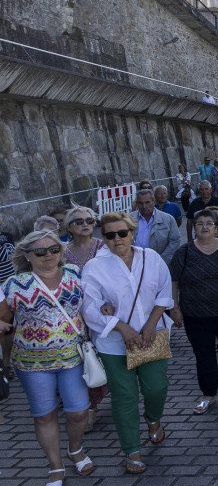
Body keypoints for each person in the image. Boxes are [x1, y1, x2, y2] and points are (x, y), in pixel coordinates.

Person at [82, 212, 174, 475]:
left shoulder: (151, 258)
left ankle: (154, 420)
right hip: (113, 343)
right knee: (125, 397)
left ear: (132, 233)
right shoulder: (95, 267)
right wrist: (121, 328)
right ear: (104, 239)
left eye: (122, 233)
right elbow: (89, 307)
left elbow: (164, 293)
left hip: (150, 336)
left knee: (157, 387)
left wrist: (149, 324)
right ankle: (132, 450)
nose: (117, 239)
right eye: (110, 235)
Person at [0, 230, 95, 485]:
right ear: (27, 256)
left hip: (72, 359)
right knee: (44, 414)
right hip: (32, 365)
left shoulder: (75, 275)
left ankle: (74, 448)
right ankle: (55, 465)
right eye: (40, 251)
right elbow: (3, 319)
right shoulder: (14, 284)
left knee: (78, 412)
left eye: (54, 249)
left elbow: (92, 307)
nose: (48, 255)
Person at [169, 209, 218, 415]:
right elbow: (174, 280)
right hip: (195, 313)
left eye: (208, 223)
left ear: (217, 227)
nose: (204, 227)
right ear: (193, 228)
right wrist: (175, 308)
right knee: (203, 354)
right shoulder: (184, 252)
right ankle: (208, 394)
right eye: (199, 224)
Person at [62, 206, 108, 431]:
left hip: (102, 311)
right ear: (69, 226)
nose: (85, 224)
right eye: (79, 221)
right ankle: (90, 407)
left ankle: (116, 397)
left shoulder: (103, 246)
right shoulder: (61, 252)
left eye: (89, 220)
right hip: (73, 315)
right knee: (83, 359)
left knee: (108, 357)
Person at [130, 189, 182, 265]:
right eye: (140, 203)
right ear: (137, 203)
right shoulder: (128, 219)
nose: (144, 206)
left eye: (147, 202)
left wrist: (161, 260)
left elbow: (175, 241)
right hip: (134, 263)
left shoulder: (167, 219)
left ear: (154, 201)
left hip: (159, 264)